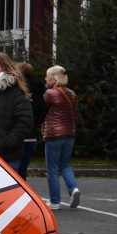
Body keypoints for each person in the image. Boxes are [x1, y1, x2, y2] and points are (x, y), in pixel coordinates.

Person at [43, 65, 81, 209]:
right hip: (69, 134)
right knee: (65, 164)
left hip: (53, 134)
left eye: (48, 76)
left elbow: (42, 111)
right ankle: (73, 189)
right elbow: (76, 115)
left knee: (52, 169)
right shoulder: (71, 93)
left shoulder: (49, 93)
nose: (46, 78)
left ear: (54, 78)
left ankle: (55, 201)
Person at [15, 62, 47, 179]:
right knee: (23, 168)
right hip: (31, 133)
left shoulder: (17, 87)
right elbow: (42, 111)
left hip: (16, 133)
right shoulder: (39, 88)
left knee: (12, 169)